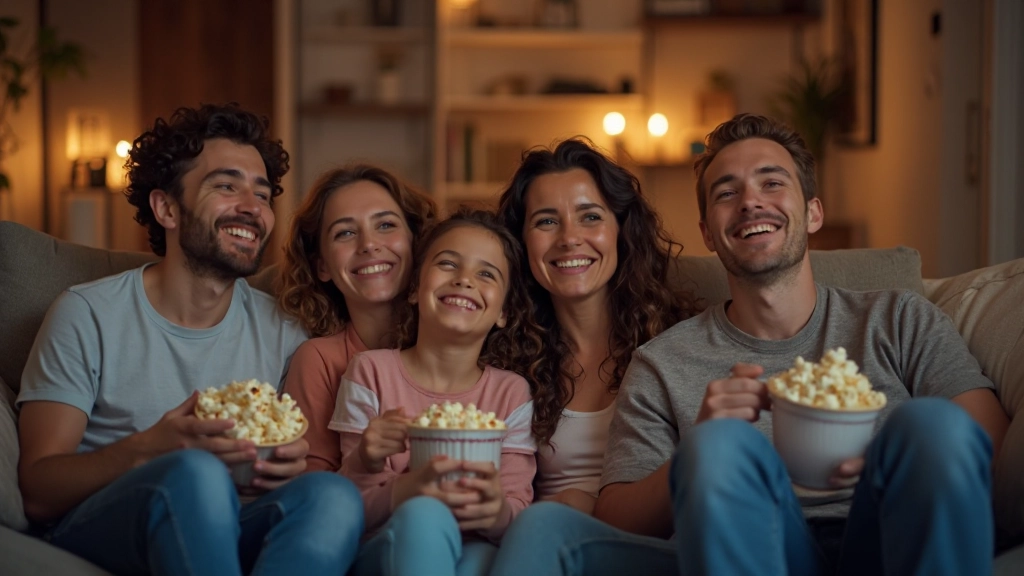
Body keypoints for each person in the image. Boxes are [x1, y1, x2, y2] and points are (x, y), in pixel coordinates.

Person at [492, 113, 1010, 576]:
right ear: (707, 233)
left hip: (884, 531)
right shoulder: (663, 362)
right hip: (762, 543)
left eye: (771, 182)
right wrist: (696, 449)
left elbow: (984, 439)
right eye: (726, 192)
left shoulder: (898, 318)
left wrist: (886, 456)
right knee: (719, 446)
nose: (750, 202)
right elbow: (617, 515)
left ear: (812, 212)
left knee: (931, 423)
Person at [16, 103, 364, 576]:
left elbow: (291, 453)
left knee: (333, 495)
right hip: (110, 522)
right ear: (166, 208)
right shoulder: (88, 314)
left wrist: (288, 462)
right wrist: (150, 448)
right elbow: (38, 489)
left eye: (262, 194)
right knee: (195, 474)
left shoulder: (284, 327)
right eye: (226, 185)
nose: (252, 207)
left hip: (238, 522)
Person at [334, 209, 541, 576]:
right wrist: (367, 459)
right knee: (424, 516)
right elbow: (344, 512)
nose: (464, 280)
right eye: (448, 264)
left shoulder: (510, 393)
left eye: (486, 274)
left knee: (487, 561)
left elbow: (517, 510)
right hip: (388, 545)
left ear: (504, 312)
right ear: (414, 288)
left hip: (476, 548)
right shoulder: (370, 372)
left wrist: (496, 513)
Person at [495, 137, 696, 514]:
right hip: (546, 542)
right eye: (546, 221)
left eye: (590, 216)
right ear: (520, 243)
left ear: (621, 230)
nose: (570, 238)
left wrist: (581, 504)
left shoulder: (679, 339)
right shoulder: (501, 355)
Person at [278, 164, 436, 473]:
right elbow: (315, 490)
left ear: (417, 242)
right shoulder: (318, 361)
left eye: (386, 225)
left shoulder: (462, 341)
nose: (368, 244)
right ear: (322, 265)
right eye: (345, 233)